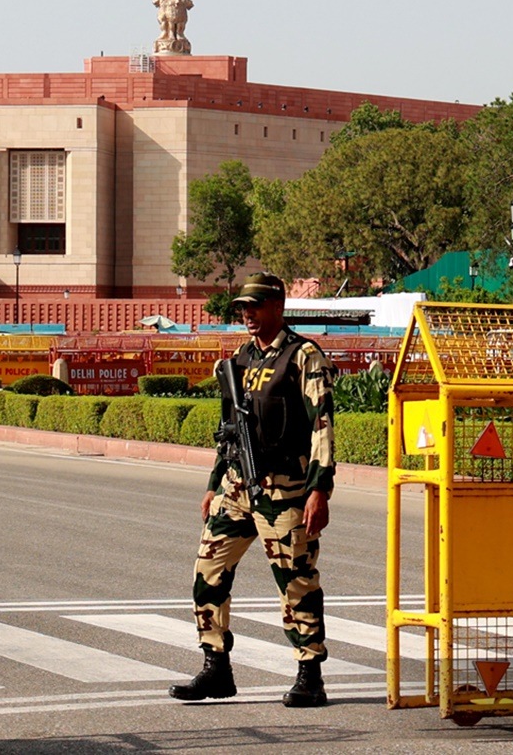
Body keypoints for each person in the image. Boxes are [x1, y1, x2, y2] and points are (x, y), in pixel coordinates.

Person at [169, 271, 337, 708]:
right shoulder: (240, 360)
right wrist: (214, 484)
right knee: (207, 572)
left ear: (278, 307)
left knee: (296, 581)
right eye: (243, 308)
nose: (247, 314)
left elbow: (322, 423)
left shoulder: (303, 356)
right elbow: (228, 430)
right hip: (237, 486)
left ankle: (310, 673)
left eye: (255, 306)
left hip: (284, 491)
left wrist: (320, 489)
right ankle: (216, 666)